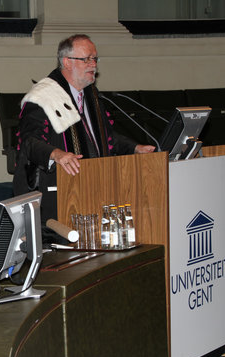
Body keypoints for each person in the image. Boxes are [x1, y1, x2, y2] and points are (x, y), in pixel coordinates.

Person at [13, 34, 155, 223]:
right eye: (86, 59)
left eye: (95, 58)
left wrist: (135, 148)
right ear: (67, 62)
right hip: (57, 194)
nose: (93, 64)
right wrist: (56, 154)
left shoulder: (91, 97)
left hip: (93, 189)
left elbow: (106, 138)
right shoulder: (43, 97)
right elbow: (29, 142)